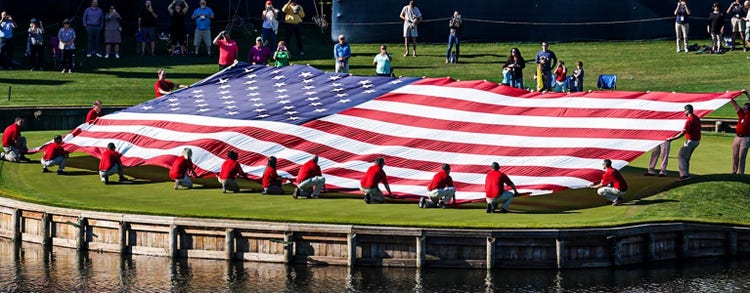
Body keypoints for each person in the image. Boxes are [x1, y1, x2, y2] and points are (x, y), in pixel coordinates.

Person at [667, 104, 701, 181]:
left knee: (681, 156)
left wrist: (673, 138)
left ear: (688, 110)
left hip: (691, 141)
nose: (684, 112)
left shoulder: (689, 120)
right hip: (696, 141)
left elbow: (683, 132)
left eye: (684, 110)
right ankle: (687, 174)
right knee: (686, 158)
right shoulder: (696, 118)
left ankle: (684, 175)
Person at [730, 91, 750, 174]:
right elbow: (734, 104)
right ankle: (734, 171)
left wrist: (747, 94)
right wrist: (729, 96)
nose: (745, 109)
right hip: (737, 137)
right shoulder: (741, 113)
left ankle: (740, 172)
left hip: (746, 138)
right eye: (744, 108)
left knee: (741, 156)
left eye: (747, 108)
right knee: (735, 155)